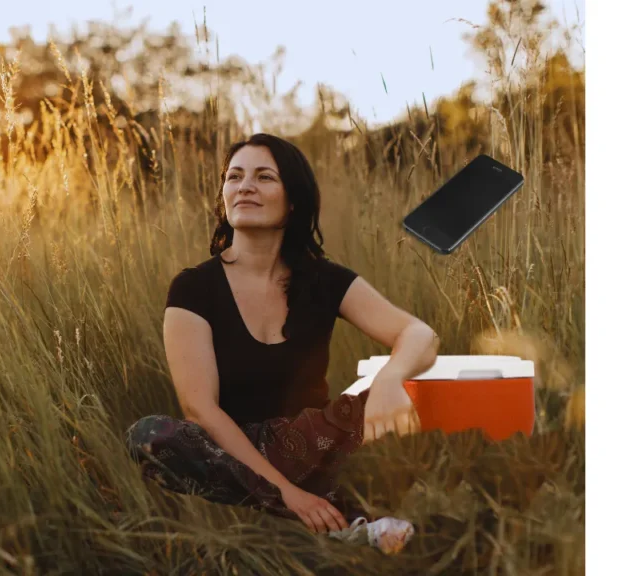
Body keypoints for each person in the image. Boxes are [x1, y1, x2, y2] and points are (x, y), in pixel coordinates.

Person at [125, 133, 440, 535]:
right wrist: (286, 492)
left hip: (316, 441)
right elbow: (201, 410)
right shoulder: (193, 288)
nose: (245, 187)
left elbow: (419, 333)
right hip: (234, 450)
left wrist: (390, 380)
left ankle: (357, 517)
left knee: (407, 394)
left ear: (293, 201)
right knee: (150, 436)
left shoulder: (324, 279)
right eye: (234, 176)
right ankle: (344, 522)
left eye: (264, 177)